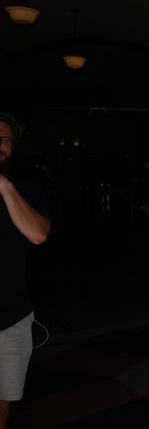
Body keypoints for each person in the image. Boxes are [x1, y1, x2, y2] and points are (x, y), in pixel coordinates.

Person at [0, 113, 51, 429]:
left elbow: (38, 234)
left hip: (10, 319)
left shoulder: (26, 189)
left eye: (4, 138)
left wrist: (4, 186)